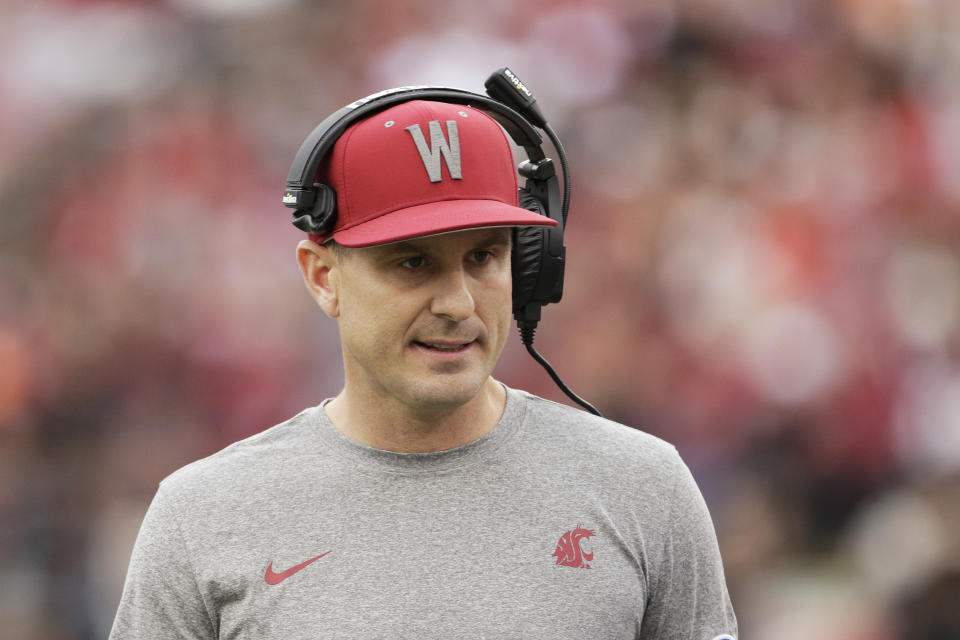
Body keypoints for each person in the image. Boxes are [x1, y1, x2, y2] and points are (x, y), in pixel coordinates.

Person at [110, 89, 738, 639]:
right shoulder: (204, 515)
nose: (457, 304)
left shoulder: (642, 487)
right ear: (324, 277)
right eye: (412, 263)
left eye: (484, 258)